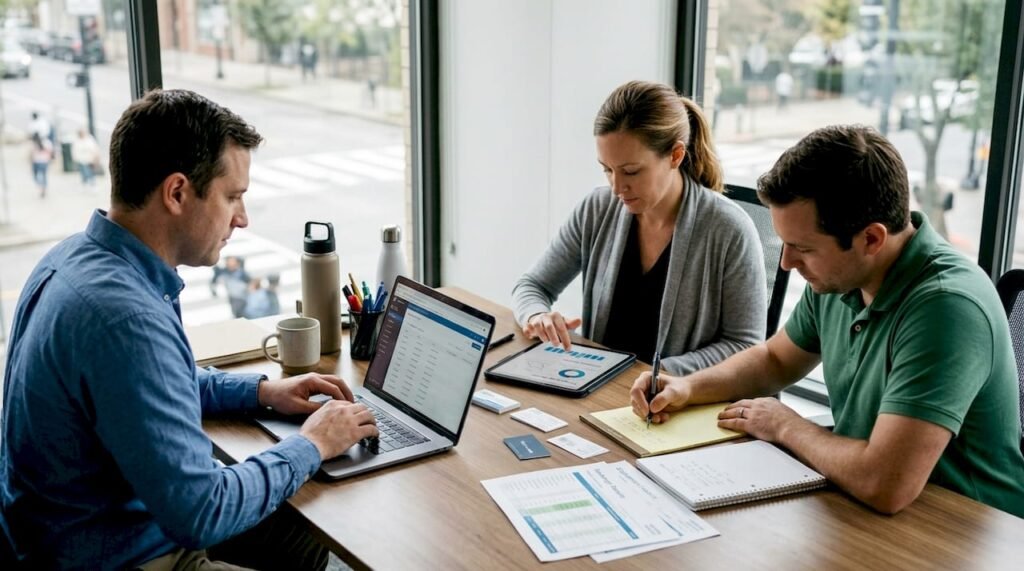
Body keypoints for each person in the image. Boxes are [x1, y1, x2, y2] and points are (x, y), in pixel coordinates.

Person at [0, 89, 379, 568]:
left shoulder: (73, 259)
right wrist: (313, 443)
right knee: (304, 498)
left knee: (304, 527)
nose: (242, 218)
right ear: (177, 193)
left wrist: (263, 392)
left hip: (68, 533)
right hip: (121, 554)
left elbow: (149, 387)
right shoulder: (127, 318)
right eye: (233, 197)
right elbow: (202, 512)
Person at [630, 125, 1024, 517]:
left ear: (871, 239)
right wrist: (687, 386)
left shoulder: (947, 308)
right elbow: (775, 361)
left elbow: (884, 483)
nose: (786, 263)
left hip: (967, 528)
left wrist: (787, 426)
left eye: (803, 248)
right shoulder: (842, 277)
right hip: (861, 504)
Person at [512, 80, 767, 373]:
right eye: (607, 169)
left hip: (673, 403)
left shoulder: (729, 229)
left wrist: (660, 374)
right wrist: (537, 315)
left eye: (631, 171)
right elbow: (532, 286)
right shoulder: (597, 207)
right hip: (599, 388)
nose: (617, 187)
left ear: (675, 155)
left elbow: (745, 345)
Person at [28, 132, 53, 198]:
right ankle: (43, 188)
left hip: (38, 161)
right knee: (43, 176)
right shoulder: (46, 142)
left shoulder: (36, 143)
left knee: (37, 176)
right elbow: (50, 152)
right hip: (42, 161)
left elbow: (31, 153)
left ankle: (42, 188)